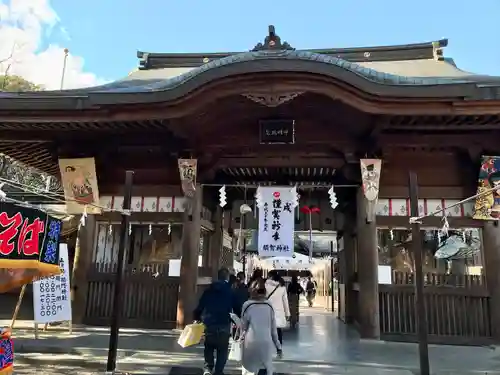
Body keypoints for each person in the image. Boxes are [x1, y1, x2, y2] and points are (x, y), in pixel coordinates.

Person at [194, 267, 236, 375]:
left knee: (208, 346)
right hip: (224, 323)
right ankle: (219, 371)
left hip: (209, 323)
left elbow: (200, 306)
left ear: (217, 276)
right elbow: (236, 308)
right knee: (222, 349)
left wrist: (197, 318)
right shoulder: (230, 291)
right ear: (227, 277)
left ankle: (208, 368)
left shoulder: (208, 290)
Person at [241, 279, 282, 375]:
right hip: (266, 342)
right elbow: (273, 330)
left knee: (250, 370)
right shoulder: (269, 305)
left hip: (250, 343)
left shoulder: (247, 305)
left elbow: (243, 327)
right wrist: (278, 346)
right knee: (264, 369)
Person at [265, 270, 290, 346]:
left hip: (267, 311)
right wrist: (287, 313)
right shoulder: (282, 287)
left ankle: (267, 349)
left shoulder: (265, 285)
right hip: (279, 312)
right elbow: (285, 301)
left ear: (271, 276)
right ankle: (279, 348)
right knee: (278, 331)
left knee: (267, 331)